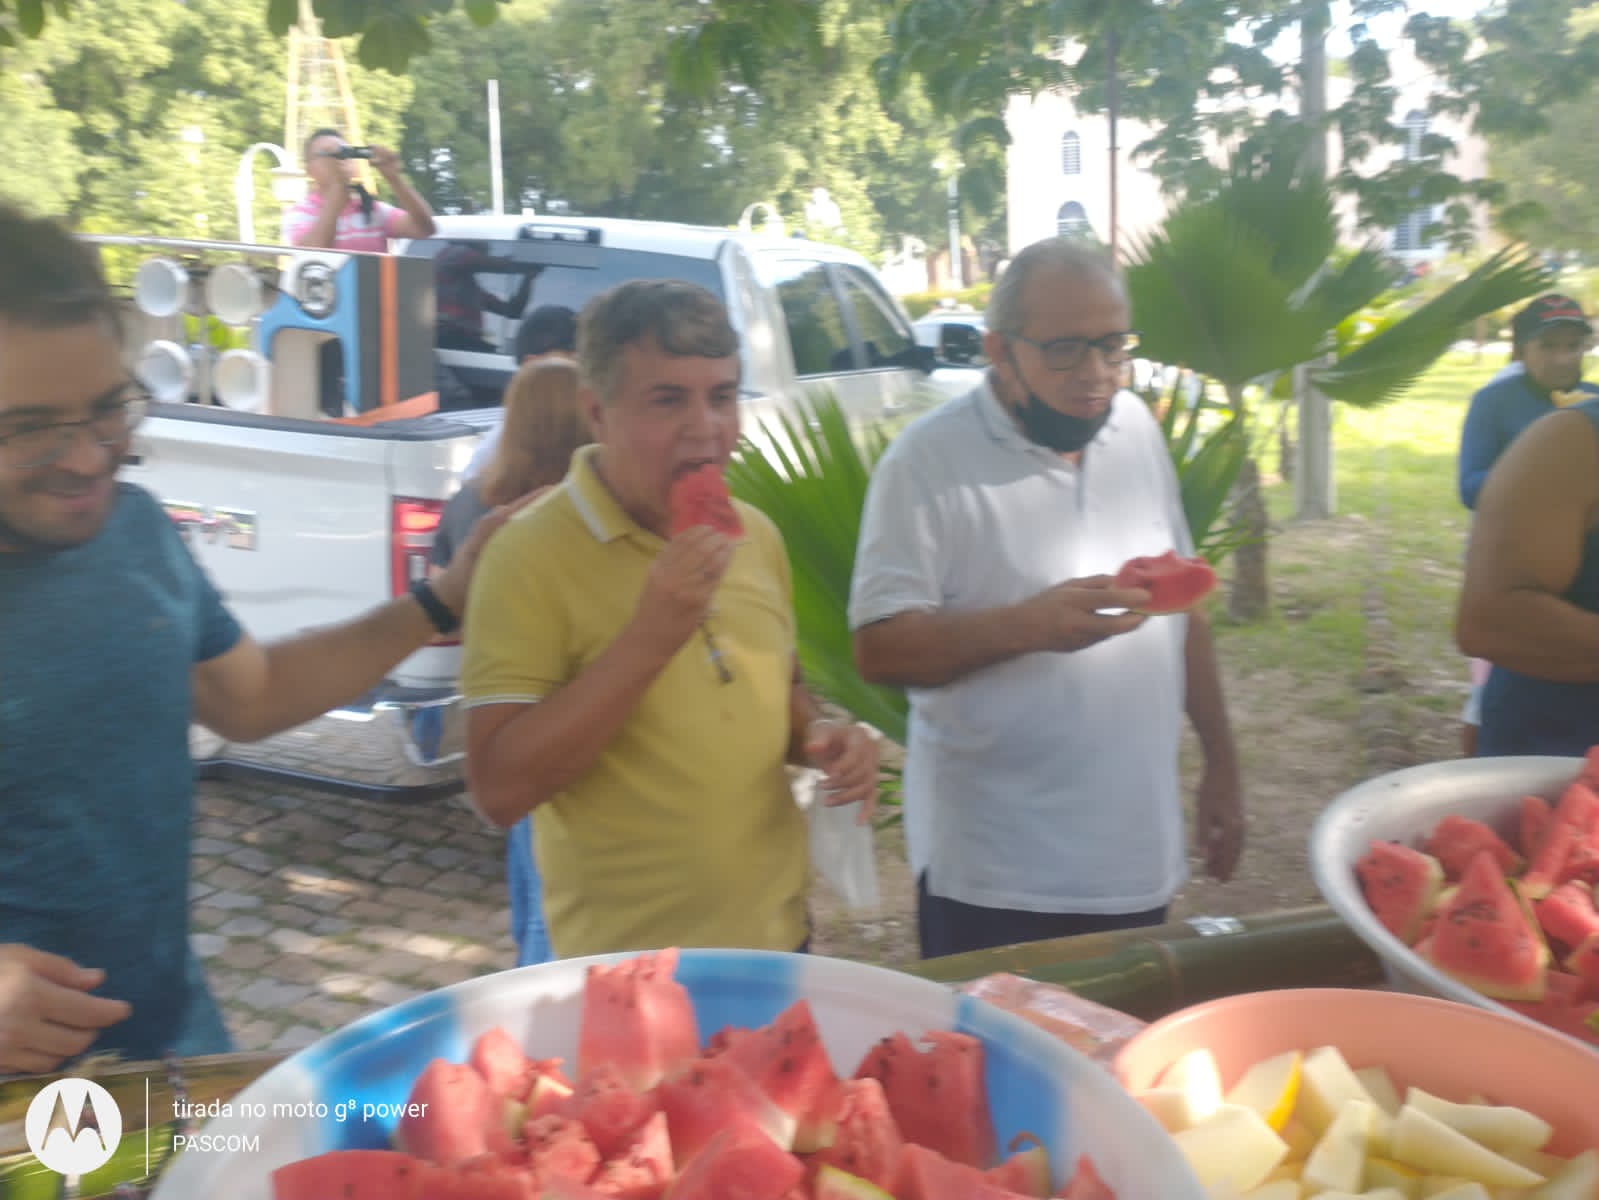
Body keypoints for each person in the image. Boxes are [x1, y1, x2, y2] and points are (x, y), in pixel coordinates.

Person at [0, 205, 507, 1074]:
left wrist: (441, 600)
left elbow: (254, 694)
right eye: (30, 428)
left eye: (107, 411)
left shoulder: (135, 532)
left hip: (169, 1061)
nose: (87, 459)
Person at [848, 237, 1244, 961]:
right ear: (999, 351)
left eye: (1112, 346)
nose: (1095, 375)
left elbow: (1181, 610)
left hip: (1133, 858)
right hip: (996, 877)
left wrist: (1221, 761)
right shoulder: (925, 464)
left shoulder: (1135, 431)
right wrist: (1028, 626)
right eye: (1064, 349)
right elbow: (878, 648)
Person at [461, 280, 880, 958]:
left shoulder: (758, 536)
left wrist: (823, 736)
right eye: (667, 400)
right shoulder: (525, 556)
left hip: (776, 946)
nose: (705, 428)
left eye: (721, 396)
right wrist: (651, 636)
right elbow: (498, 790)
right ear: (595, 413)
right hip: (626, 976)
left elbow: (782, 694)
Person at [431, 360, 591, 970]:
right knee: (558, 896)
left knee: (531, 889)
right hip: (566, 734)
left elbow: (446, 587)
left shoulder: (478, 501)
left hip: (503, 716)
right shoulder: (577, 520)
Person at [1456, 295, 1597, 755]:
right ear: (1521, 350)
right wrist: (1528, 483)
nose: (1564, 358)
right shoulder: (1497, 403)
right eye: (1549, 346)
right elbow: (1469, 482)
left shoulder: (1592, 398)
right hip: (1508, 557)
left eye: (1574, 346)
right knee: (1485, 690)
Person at [462, 305, 579, 479]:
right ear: (530, 364)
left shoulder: (589, 425)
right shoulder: (499, 446)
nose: (580, 373)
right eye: (570, 361)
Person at [283, 128, 437, 251]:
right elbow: (313, 252)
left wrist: (395, 179)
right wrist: (337, 189)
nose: (339, 159)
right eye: (330, 153)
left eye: (345, 153)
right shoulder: (300, 213)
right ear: (310, 169)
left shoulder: (371, 209)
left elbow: (425, 229)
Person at [433, 242, 544, 355]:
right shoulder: (454, 253)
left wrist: (528, 279)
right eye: (486, 243)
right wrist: (534, 258)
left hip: (460, 345)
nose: (489, 247)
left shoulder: (468, 290)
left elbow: (513, 311)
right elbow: (502, 265)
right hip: (448, 340)